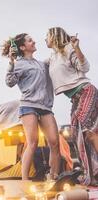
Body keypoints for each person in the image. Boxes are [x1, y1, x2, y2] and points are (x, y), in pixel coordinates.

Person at [2, 33, 61, 180]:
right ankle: (25, 179)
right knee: (32, 142)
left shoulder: (43, 64)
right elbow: (9, 82)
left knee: (54, 142)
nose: (34, 41)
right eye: (30, 40)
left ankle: (54, 177)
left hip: (46, 107)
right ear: (22, 47)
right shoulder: (18, 64)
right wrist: (11, 61)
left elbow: (57, 60)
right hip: (28, 106)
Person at [45, 27, 98, 185]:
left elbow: (84, 67)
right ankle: (93, 172)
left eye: (46, 36)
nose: (44, 39)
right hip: (75, 98)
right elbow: (37, 65)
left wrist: (77, 48)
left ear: (54, 36)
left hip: (86, 91)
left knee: (85, 130)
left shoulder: (68, 49)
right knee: (76, 133)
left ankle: (93, 173)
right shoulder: (52, 57)